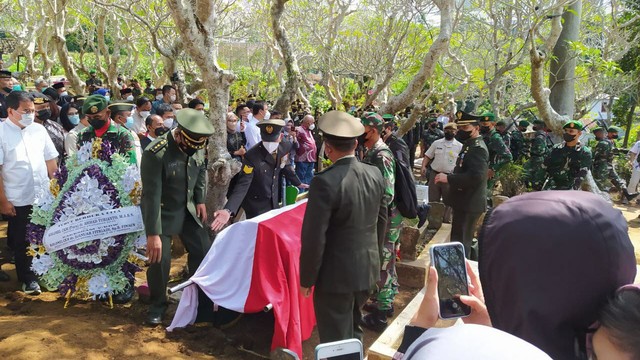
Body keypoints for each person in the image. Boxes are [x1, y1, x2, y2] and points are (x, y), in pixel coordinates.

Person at [299, 110, 387, 350]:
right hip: (366, 269)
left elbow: (314, 237)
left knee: (335, 341)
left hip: (336, 276)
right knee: (353, 328)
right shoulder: (375, 173)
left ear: (327, 147)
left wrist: (306, 278)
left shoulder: (324, 181)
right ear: (356, 143)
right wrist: (376, 260)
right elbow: (382, 221)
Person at [140, 108, 214, 326]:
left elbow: (200, 170)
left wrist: (200, 199)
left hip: (189, 208)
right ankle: (158, 305)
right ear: (179, 134)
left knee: (203, 250)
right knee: (159, 259)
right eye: (187, 145)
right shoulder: (156, 153)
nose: (192, 150)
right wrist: (153, 233)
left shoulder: (197, 144)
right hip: (163, 212)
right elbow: (151, 196)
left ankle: (203, 303)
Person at [0, 91, 59, 292]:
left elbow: (51, 161)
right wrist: (3, 201)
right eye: (26, 111)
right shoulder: (1, 132)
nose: (31, 114)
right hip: (17, 197)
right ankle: (27, 277)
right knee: (22, 239)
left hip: (43, 195)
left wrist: (57, 187)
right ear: (11, 111)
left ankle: (46, 272)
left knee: (44, 236)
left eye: (32, 110)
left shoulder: (39, 130)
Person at [210, 118, 307, 229]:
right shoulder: (251, 156)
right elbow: (243, 184)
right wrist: (228, 209)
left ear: (280, 137)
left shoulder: (284, 146)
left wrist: (297, 182)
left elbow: (285, 165)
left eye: (272, 141)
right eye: (266, 141)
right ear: (261, 137)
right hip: (256, 203)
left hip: (274, 198)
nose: (269, 145)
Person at [360, 113, 401, 332]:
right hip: (383, 218)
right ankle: (383, 301)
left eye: (363, 129)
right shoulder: (373, 151)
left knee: (384, 263)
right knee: (386, 261)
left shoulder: (381, 154)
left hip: (386, 218)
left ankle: (381, 315)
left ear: (373, 130)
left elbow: (387, 193)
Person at [435, 111, 488, 259]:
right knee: (458, 239)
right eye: (460, 128)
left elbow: (475, 176)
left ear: (476, 128)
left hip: (470, 202)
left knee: (462, 242)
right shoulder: (469, 145)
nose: (461, 131)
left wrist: (449, 179)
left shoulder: (478, 149)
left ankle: (463, 275)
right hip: (463, 201)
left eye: (465, 128)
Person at [421, 122, 462, 224]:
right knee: (433, 200)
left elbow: (461, 162)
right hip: (435, 174)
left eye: (452, 131)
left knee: (448, 201)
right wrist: (423, 166)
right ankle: (432, 221)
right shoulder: (437, 143)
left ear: (456, 132)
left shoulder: (460, 146)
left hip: (449, 177)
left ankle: (445, 222)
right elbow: (428, 156)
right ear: (444, 131)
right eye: (447, 130)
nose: (450, 132)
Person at [78, 95, 136, 164]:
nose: (93, 120)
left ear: (108, 113)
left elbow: (130, 166)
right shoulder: (83, 134)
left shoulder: (122, 135)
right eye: (89, 117)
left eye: (97, 117)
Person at [543, 120, 592, 190]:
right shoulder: (556, 149)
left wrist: (572, 190)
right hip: (551, 188)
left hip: (570, 190)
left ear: (579, 133)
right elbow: (545, 167)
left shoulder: (584, 152)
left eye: (571, 131)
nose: (567, 133)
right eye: (566, 131)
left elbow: (581, 175)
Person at [592, 126, 637, 200]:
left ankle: (627, 195)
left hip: (605, 166)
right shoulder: (606, 142)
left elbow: (596, 155)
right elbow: (607, 152)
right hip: (604, 166)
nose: (616, 134)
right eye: (614, 133)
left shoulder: (607, 142)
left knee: (612, 181)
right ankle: (601, 200)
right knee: (607, 183)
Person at [479, 113, 512, 195]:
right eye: (481, 124)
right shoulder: (483, 135)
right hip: (480, 169)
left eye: (485, 124)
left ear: (493, 124)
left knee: (484, 196)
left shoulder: (495, 138)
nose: (482, 126)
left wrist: (493, 169)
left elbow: (508, 156)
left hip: (488, 172)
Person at [31, 93, 66, 162]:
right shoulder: (24, 129)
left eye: (47, 106)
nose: (46, 109)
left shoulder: (56, 127)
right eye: (42, 107)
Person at [523, 119, 550, 190]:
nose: (533, 126)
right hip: (536, 158)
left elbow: (540, 150)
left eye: (534, 125)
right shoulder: (539, 135)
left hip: (537, 159)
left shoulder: (540, 136)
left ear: (538, 126)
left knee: (534, 177)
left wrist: (531, 152)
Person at [295, 114, 317, 187]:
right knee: (301, 179)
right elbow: (294, 142)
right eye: (312, 122)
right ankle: (300, 195)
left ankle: (306, 195)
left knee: (309, 178)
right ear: (308, 122)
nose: (313, 124)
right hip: (302, 159)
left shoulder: (309, 130)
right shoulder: (299, 129)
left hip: (311, 159)